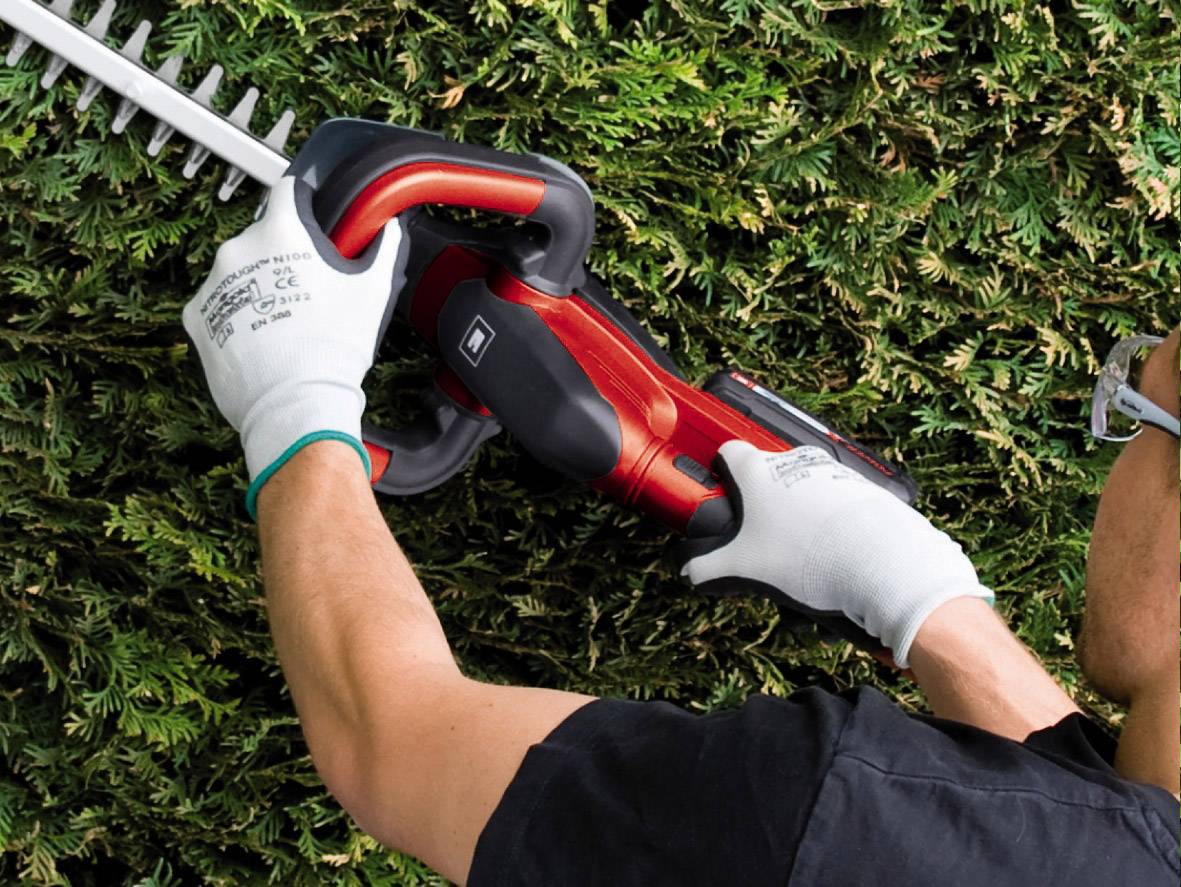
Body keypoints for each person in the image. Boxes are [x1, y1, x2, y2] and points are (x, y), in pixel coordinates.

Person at [182, 177, 1179, 886]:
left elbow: (389, 738)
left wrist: (295, 408)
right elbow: (1099, 833)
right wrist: (933, 610)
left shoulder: (847, 830)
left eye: (1136, 414)